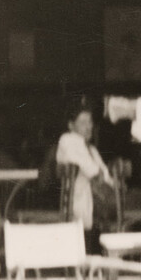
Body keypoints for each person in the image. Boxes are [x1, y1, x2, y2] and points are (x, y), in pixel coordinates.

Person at [53, 103, 121, 245]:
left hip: (97, 201)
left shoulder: (90, 148)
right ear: (71, 126)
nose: (89, 126)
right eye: (83, 122)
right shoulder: (67, 140)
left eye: (90, 122)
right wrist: (104, 178)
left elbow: (104, 175)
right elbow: (93, 171)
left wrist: (112, 184)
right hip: (79, 203)